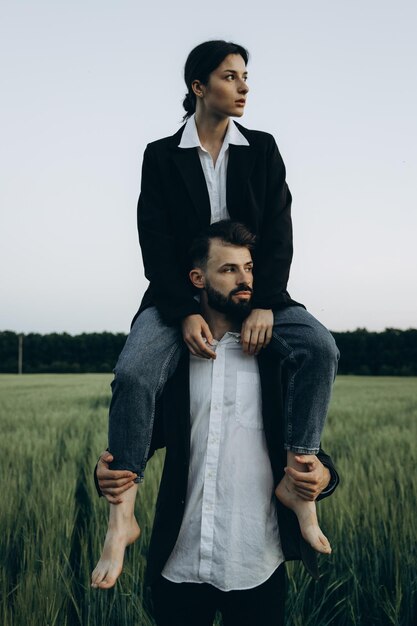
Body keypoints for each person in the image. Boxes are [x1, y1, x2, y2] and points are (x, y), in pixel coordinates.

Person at [97, 39, 340, 576]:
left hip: (257, 293)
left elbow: (279, 237)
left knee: (319, 347)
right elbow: (154, 242)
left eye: (246, 76)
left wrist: (266, 305)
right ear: (198, 86)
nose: (244, 86)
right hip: (178, 295)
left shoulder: (264, 149)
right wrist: (183, 309)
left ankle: (299, 479)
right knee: (135, 374)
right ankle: (122, 520)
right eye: (231, 76)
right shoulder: (160, 156)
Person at [92, 222, 340, 626]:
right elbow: (138, 432)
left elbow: (303, 438)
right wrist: (108, 471)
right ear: (198, 278)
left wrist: (323, 477)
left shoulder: (277, 356)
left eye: (250, 268)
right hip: (181, 562)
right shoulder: (171, 359)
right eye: (229, 270)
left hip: (258, 564)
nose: (245, 281)